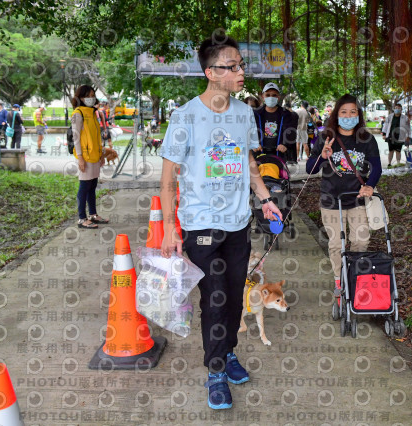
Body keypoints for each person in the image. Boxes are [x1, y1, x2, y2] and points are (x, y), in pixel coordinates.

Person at [159, 35, 283, 411]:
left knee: (232, 297)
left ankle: (227, 352)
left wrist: (265, 199)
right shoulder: (184, 116)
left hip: (238, 223)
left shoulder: (244, 113)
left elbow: (248, 162)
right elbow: (167, 178)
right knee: (214, 299)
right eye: (233, 66)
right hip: (200, 224)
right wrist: (169, 227)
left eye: (241, 65)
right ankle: (215, 372)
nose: (241, 71)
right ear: (211, 73)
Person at [306, 94, 382, 298]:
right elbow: (310, 169)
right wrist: (322, 156)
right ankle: (339, 281)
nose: (348, 116)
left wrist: (370, 185)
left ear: (359, 115)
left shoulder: (366, 139)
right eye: (344, 112)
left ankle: (354, 275)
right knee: (336, 243)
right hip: (331, 201)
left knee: (361, 241)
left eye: (353, 112)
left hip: (357, 200)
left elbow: (376, 167)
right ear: (336, 114)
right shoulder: (325, 137)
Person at [70, 85, 108, 229]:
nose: (91, 98)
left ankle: (93, 214)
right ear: (80, 97)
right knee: (84, 187)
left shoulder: (92, 113)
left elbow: (97, 136)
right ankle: (82, 218)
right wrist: (80, 157)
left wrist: (101, 154)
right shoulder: (78, 114)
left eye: (92, 95)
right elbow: (76, 137)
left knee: (92, 186)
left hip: (95, 155)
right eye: (88, 96)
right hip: (85, 156)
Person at [252, 82, 297, 160]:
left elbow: (291, 132)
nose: (271, 97)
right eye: (268, 95)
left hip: (279, 155)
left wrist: (284, 144)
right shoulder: (255, 114)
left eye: (274, 95)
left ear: (278, 97)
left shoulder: (286, 114)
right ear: (263, 97)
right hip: (259, 155)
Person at [381, 103, 412, 168]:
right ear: (394, 109)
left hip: (400, 136)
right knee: (391, 151)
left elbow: (408, 128)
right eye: (396, 108)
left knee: (398, 151)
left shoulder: (405, 118)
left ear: (401, 110)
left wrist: (408, 136)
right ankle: (389, 163)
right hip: (391, 136)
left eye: (399, 108)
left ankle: (398, 163)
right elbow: (385, 125)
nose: (397, 109)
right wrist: (384, 134)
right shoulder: (390, 117)